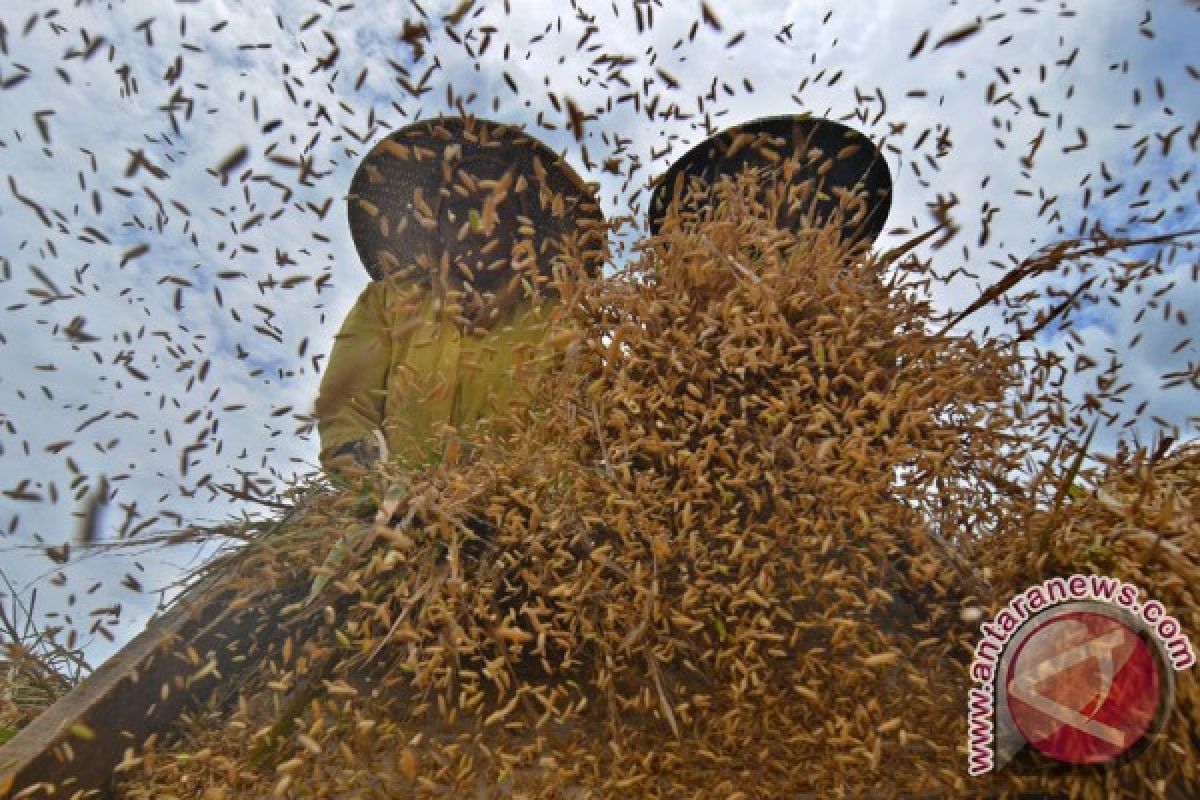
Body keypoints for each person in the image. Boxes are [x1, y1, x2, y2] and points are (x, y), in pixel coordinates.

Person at [316, 116, 607, 474]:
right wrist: (382, 492)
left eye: (498, 209)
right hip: (385, 513)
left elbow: (577, 437)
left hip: (517, 519)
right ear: (437, 223)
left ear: (521, 231)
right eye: (461, 209)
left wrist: (498, 499)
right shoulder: (390, 302)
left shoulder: (559, 324)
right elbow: (346, 410)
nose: (479, 225)